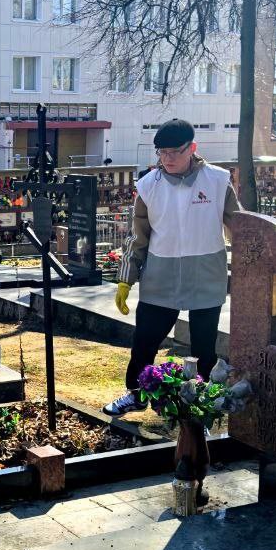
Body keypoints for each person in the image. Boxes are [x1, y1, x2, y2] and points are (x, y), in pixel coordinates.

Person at [104, 119, 240, 415]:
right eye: (162, 153)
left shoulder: (217, 181)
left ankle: (202, 407)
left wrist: (252, 268)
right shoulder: (148, 185)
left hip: (206, 273)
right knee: (145, 342)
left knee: (204, 348)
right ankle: (136, 395)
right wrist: (126, 278)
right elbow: (137, 235)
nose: (167, 159)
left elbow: (239, 229)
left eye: (174, 152)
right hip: (160, 275)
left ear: (192, 148)